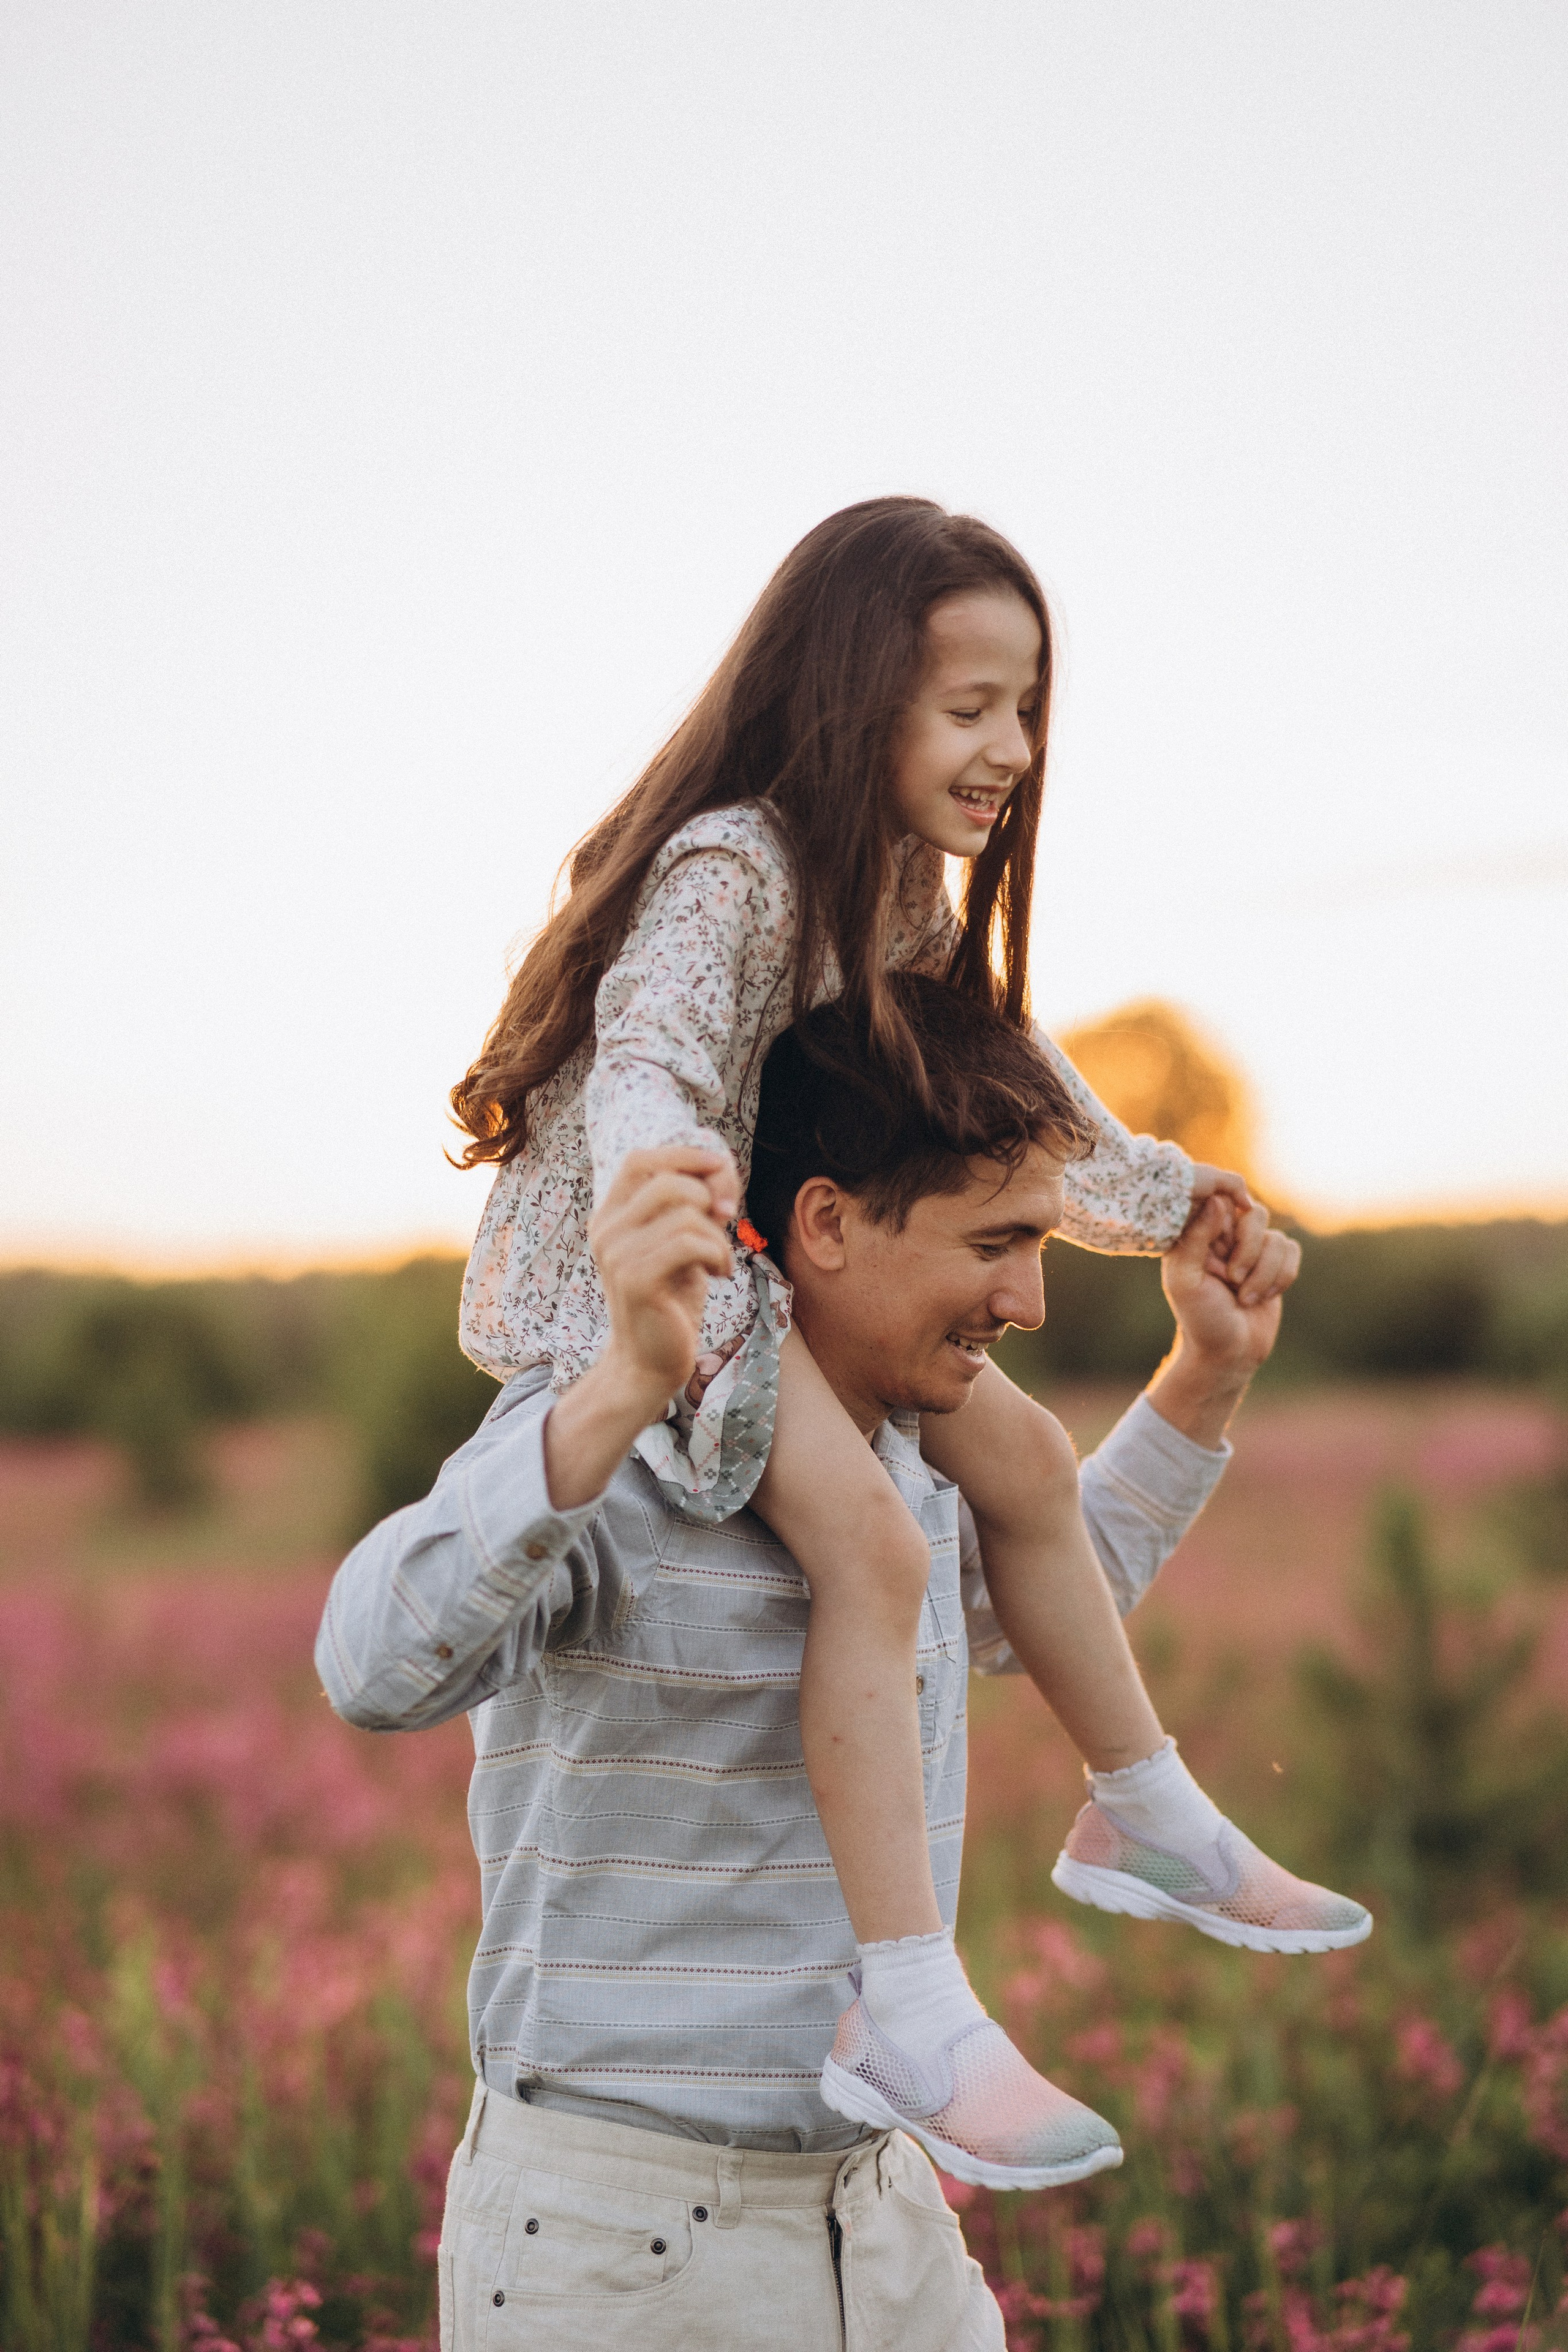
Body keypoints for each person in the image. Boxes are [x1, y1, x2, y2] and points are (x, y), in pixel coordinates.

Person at [444, 499, 1319, 2163]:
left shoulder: (900, 890)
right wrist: (668, 1207)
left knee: (1031, 1463)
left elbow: (1020, 1093)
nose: (1012, 751)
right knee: (873, 1546)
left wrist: (1170, 1197)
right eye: (969, 706)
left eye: (1027, 709)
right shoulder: (734, 864)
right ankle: (910, 2004)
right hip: (674, 1286)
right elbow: (648, 1059)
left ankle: (1143, 1806)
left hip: (783, 1273)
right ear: (856, 699)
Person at [317, 975, 1368, 2351]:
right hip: (624, 2250)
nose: (1029, 1299)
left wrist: (1204, 1377)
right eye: (994, 1243)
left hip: (883, 2213)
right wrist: (620, 1384)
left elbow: (1041, 1619)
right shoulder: (616, 1451)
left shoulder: (908, 1452)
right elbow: (373, 1666)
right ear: (823, 1223)